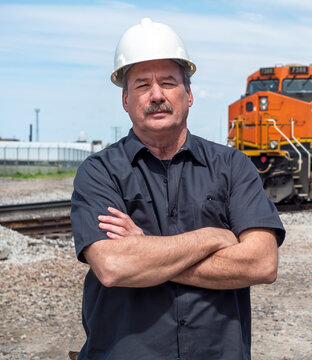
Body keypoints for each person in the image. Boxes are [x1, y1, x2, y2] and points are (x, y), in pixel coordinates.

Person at [70, 18, 285, 360]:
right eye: (142, 85)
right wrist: (214, 237)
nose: (156, 95)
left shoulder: (233, 167)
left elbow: (261, 264)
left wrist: (145, 254)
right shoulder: (99, 172)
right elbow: (113, 267)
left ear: (189, 95)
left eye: (168, 83)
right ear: (125, 100)